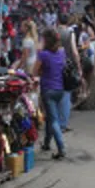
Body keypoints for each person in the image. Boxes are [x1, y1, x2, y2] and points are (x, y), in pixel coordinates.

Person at [35, 28, 69, 159]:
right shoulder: (61, 52)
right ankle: (47, 143)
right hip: (60, 89)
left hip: (48, 90)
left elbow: (34, 71)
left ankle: (61, 148)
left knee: (53, 119)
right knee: (50, 117)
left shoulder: (43, 55)